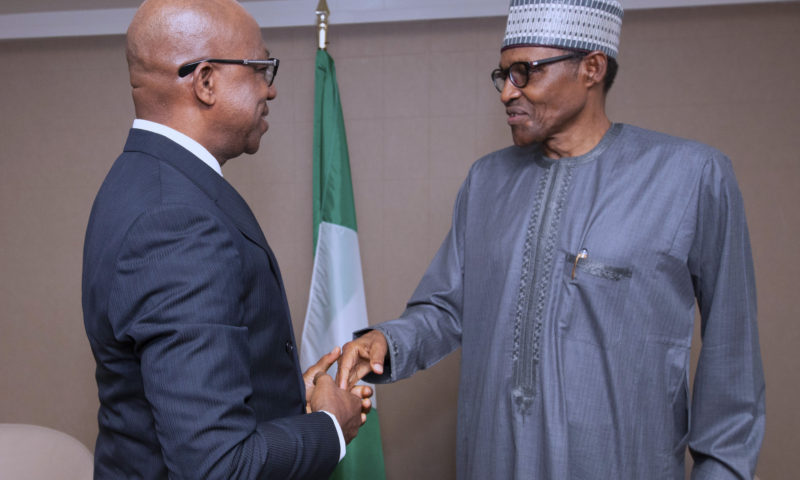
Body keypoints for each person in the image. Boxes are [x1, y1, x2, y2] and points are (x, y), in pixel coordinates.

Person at [337, 0, 765, 478]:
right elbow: (449, 307)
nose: (507, 93)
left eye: (525, 72)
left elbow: (732, 357)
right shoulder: (487, 181)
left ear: (592, 68)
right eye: (503, 76)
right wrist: (386, 342)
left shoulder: (690, 176)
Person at [82, 0, 370, 478]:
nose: (271, 90)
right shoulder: (175, 219)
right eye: (260, 68)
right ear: (206, 81)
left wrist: (278, 391)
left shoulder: (143, 179)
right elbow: (216, 465)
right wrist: (330, 423)